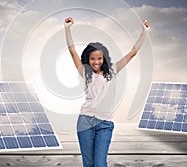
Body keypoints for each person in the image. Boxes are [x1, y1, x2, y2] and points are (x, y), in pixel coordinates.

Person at [64, 17, 150, 167]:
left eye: (99, 58)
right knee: (88, 164)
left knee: (99, 164)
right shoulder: (85, 72)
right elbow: (72, 52)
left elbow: (132, 53)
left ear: (104, 59)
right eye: (92, 59)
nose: (96, 62)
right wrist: (67, 29)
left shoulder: (113, 71)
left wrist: (144, 32)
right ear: (88, 59)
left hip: (105, 123)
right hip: (85, 122)